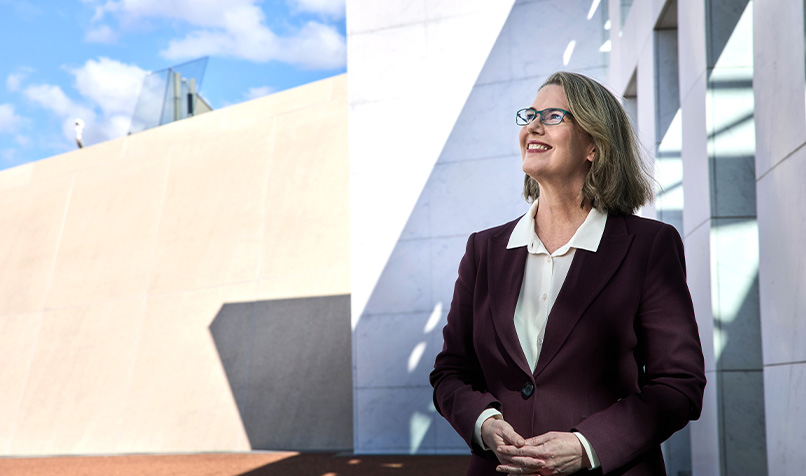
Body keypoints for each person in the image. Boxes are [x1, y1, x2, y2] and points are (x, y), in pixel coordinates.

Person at [430, 71, 706, 476]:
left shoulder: (649, 246)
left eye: (554, 116)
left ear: (594, 145)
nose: (533, 127)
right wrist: (483, 423)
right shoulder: (483, 251)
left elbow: (678, 384)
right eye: (529, 115)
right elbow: (451, 371)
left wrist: (586, 446)